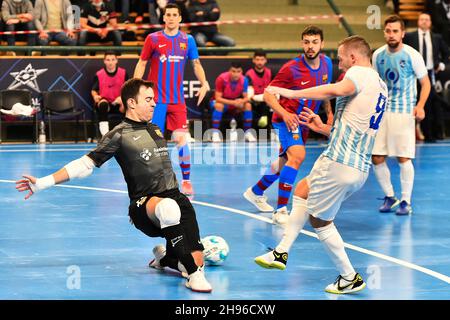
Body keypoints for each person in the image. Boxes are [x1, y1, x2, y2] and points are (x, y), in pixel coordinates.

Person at [15, 78, 213, 293]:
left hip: (176, 197)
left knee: (194, 260)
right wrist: (42, 183)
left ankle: (166, 259)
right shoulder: (119, 134)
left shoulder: (155, 129)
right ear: (131, 103)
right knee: (169, 211)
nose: (154, 104)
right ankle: (194, 276)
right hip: (144, 204)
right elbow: (84, 165)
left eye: (154, 99)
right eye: (148, 99)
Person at [254, 35, 389, 294]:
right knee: (302, 191)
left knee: (320, 222)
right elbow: (356, 127)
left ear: (353, 57)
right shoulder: (379, 84)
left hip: (339, 162)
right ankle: (281, 252)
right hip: (357, 166)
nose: (339, 65)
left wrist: (289, 92)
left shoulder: (360, 73)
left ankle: (349, 276)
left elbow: (333, 90)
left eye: (340, 59)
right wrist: (323, 128)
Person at [243, 25, 333, 225]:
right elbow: (268, 94)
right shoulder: (291, 68)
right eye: (307, 42)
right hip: (287, 120)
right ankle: (281, 210)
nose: (310, 46)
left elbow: (325, 91)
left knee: (284, 163)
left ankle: (255, 191)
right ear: (302, 43)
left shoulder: (327, 63)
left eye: (315, 42)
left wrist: (329, 114)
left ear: (322, 44)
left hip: (306, 123)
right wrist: (284, 113)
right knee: (298, 156)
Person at [133, 3, 210, 199]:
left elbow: (196, 63)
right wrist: (135, 87)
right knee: (154, 143)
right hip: (156, 101)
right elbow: (142, 63)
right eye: (168, 15)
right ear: (164, 17)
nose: (171, 18)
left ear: (180, 18)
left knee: (181, 140)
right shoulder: (153, 38)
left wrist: (204, 82)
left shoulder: (188, 40)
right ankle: (154, 181)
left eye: (175, 15)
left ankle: (186, 180)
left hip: (177, 101)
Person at [372, 15, 431, 215]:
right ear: (384, 33)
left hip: (404, 112)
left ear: (403, 33)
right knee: (377, 157)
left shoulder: (412, 55)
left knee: (403, 158)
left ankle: (406, 201)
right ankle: (390, 196)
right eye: (388, 31)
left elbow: (426, 84)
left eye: (395, 31)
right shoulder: (377, 55)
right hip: (381, 113)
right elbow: (374, 84)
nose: (391, 34)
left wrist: (421, 106)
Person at [404, 12, 450, 142]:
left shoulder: (437, 37)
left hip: (429, 74)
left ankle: (430, 134)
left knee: (428, 104)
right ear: (418, 22)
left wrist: (441, 64)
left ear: (430, 23)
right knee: (412, 102)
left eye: (427, 20)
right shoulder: (409, 36)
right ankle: (410, 135)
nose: (424, 21)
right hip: (412, 75)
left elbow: (446, 54)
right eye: (422, 19)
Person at [210, 61, 256, 143]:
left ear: (241, 72)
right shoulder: (221, 78)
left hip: (234, 103)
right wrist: (233, 102)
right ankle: (215, 133)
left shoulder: (244, 80)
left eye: (238, 71)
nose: (236, 74)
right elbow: (218, 98)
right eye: (233, 71)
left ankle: (247, 133)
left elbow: (246, 97)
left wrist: (242, 100)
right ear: (229, 71)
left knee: (248, 106)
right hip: (221, 102)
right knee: (219, 105)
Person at [91, 51, 129, 137]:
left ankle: (128, 134)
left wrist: (122, 98)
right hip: (105, 103)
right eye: (108, 60)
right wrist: (95, 96)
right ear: (104, 61)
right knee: (103, 104)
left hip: (119, 103)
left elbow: (128, 89)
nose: (110, 62)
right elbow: (94, 90)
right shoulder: (99, 74)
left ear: (116, 60)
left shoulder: (123, 73)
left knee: (129, 105)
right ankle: (105, 135)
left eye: (113, 60)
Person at [245, 50, 273, 133]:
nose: (259, 62)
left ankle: (274, 131)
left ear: (265, 60)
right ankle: (249, 132)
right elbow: (250, 96)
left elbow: (273, 90)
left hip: (267, 102)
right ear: (253, 60)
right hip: (254, 103)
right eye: (257, 59)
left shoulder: (270, 73)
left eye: (262, 59)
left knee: (275, 102)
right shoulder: (249, 74)